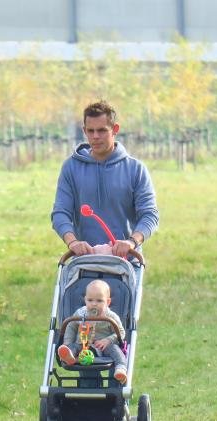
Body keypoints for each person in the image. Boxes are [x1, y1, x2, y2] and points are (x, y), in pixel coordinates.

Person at [51, 100, 159, 258]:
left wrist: (131, 242)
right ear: (84, 131)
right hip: (85, 260)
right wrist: (73, 242)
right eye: (90, 131)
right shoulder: (70, 168)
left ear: (115, 129)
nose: (95, 136)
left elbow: (150, 215)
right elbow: (60, 213)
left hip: (126, 262)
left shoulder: (136, 169)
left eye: (102, 130)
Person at [58, 279, 128, 384]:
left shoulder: (111, 316)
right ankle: (69, 356)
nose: (94, 304)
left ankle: (121, 368)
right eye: (90, 300)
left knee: (116, 350)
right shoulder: (81, 314)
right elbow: (71, 326)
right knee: (73, 346)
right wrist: (67, 342)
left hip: (104, 347)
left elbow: (121, 332)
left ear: (108, 302)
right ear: (85, 300)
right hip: (83, 346)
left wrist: (108, 340)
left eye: (99, 301)